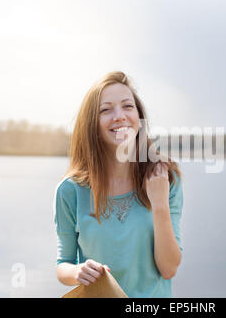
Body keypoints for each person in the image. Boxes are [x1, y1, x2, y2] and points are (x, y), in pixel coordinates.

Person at [53, 71, 183, 298]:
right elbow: (63, 264)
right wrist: (78, 271)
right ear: (91, 123)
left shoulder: (165, 177)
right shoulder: (70, 190)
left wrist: (159, 203)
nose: (119, 116)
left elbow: (169, 268)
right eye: (106, 110)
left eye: (127, 106)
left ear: (139, 117)